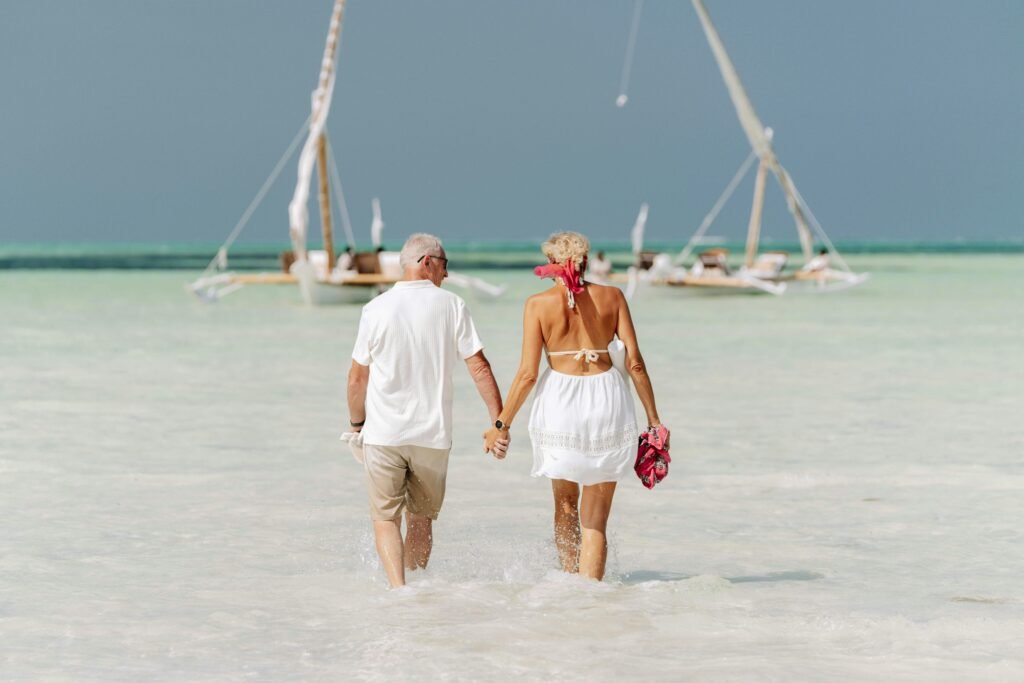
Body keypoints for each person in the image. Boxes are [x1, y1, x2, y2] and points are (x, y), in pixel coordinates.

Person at [483, 231, 666, 581]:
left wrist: (501, 425)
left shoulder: (537, 305)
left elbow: (527, 375)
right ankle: (591, 600)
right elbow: (636, 363)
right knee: (595, 520)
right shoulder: (613, 297)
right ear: (586, 260)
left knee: (565, 504)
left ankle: (570, 589)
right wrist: (654, 420)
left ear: (551, 263)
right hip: (607, 401)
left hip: (560, 404)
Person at [347, 233, 509, 588]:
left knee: (386, 520)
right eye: (445, 266)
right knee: (421, 521)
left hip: (384, 435)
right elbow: (480, 367)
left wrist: (357, 425)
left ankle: (398, 592)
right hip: (431, 438)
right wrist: (499, 422)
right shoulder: (452, 306)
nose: (446, 275)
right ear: (427, 263)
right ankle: (415, 592)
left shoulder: (375, 309)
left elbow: (357, 379)